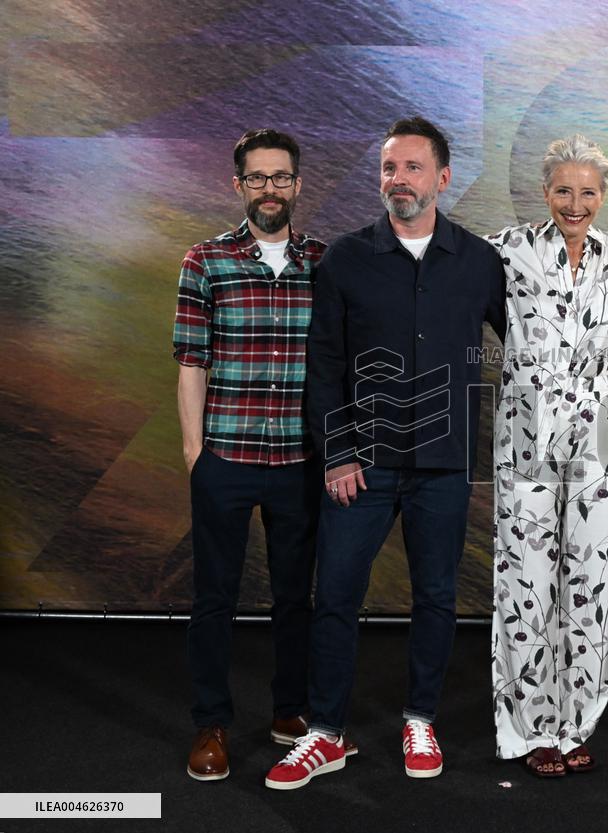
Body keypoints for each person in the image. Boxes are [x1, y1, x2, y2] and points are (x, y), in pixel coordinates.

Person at [263, 116, 506, 789]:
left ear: (443, 178)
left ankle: (420, 717)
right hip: (361, 464)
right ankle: (326, 733)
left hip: (444, 462)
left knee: (436, 596)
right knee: (336, 594)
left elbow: (532, 341)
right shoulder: (346, 259)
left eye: (413, 167)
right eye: (389, 168)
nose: (399, 179)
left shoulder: (479, 261)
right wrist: (337, 452)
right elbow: (323, 363)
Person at [174, 128, 358, 781]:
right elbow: (191, 361)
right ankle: (210, 724)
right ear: (239, 185)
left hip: (299, 462)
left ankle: (289, 712)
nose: (270, 189)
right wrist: (195, 452)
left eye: (281, 177)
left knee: (294, 598)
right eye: (258, 178)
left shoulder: (325, 262)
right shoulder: (206, 260)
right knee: (214, 598)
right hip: (225, 457)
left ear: (298, 184)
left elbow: (339, 363)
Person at [486, 135, 608, 777]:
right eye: (564, 190)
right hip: (527, 434)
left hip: (598, 438)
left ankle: (576, 724)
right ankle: (530, 729)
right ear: (545, 193)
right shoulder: (506, 249)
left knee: (591, 577)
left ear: (602, 196)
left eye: (587, 192)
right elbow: (443, 278)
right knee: (526, 579)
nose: (575, 203)